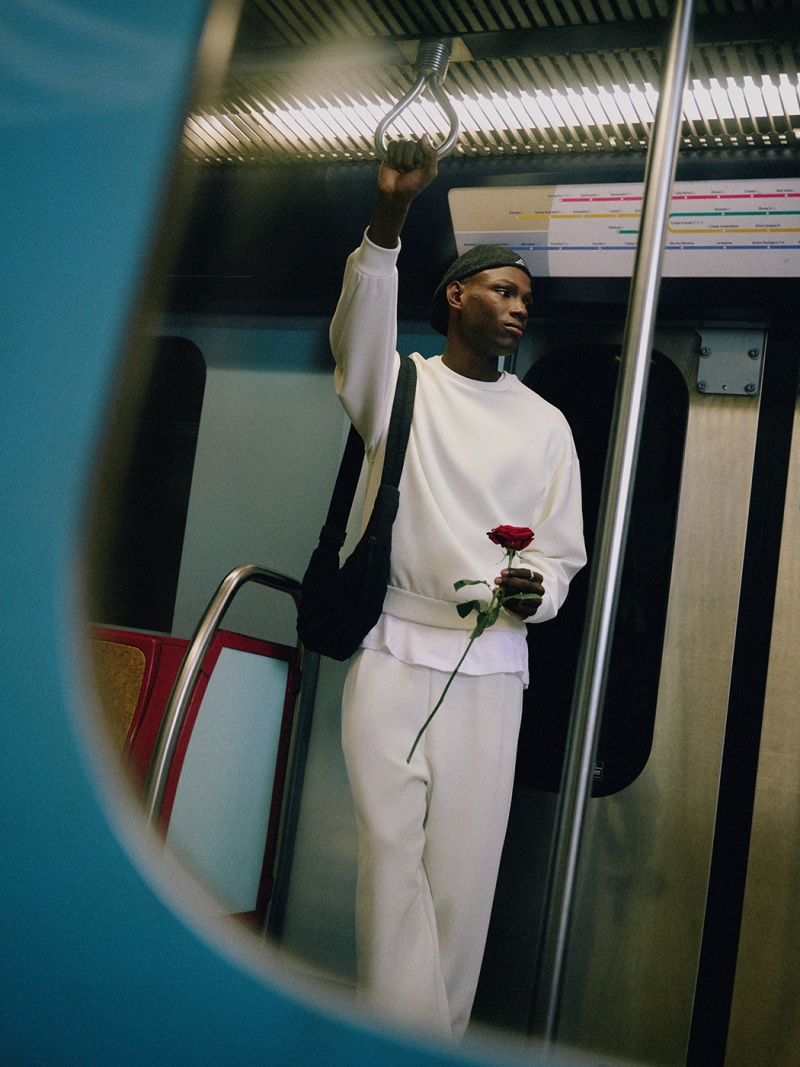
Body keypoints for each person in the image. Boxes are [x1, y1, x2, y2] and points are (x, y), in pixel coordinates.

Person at [330, 135, 586, 1040]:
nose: (519, 308)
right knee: (389, 860)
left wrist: (535, 591)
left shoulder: (547, 425)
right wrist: (392, 210)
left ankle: (423, 1044)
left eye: (526, 297)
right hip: (392, 650)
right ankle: (404, 1043)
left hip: (492, 666)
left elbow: (560, 558)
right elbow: (359, 319)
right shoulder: (398, 384)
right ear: (455, 296)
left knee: (462, 881)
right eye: (503, 290)